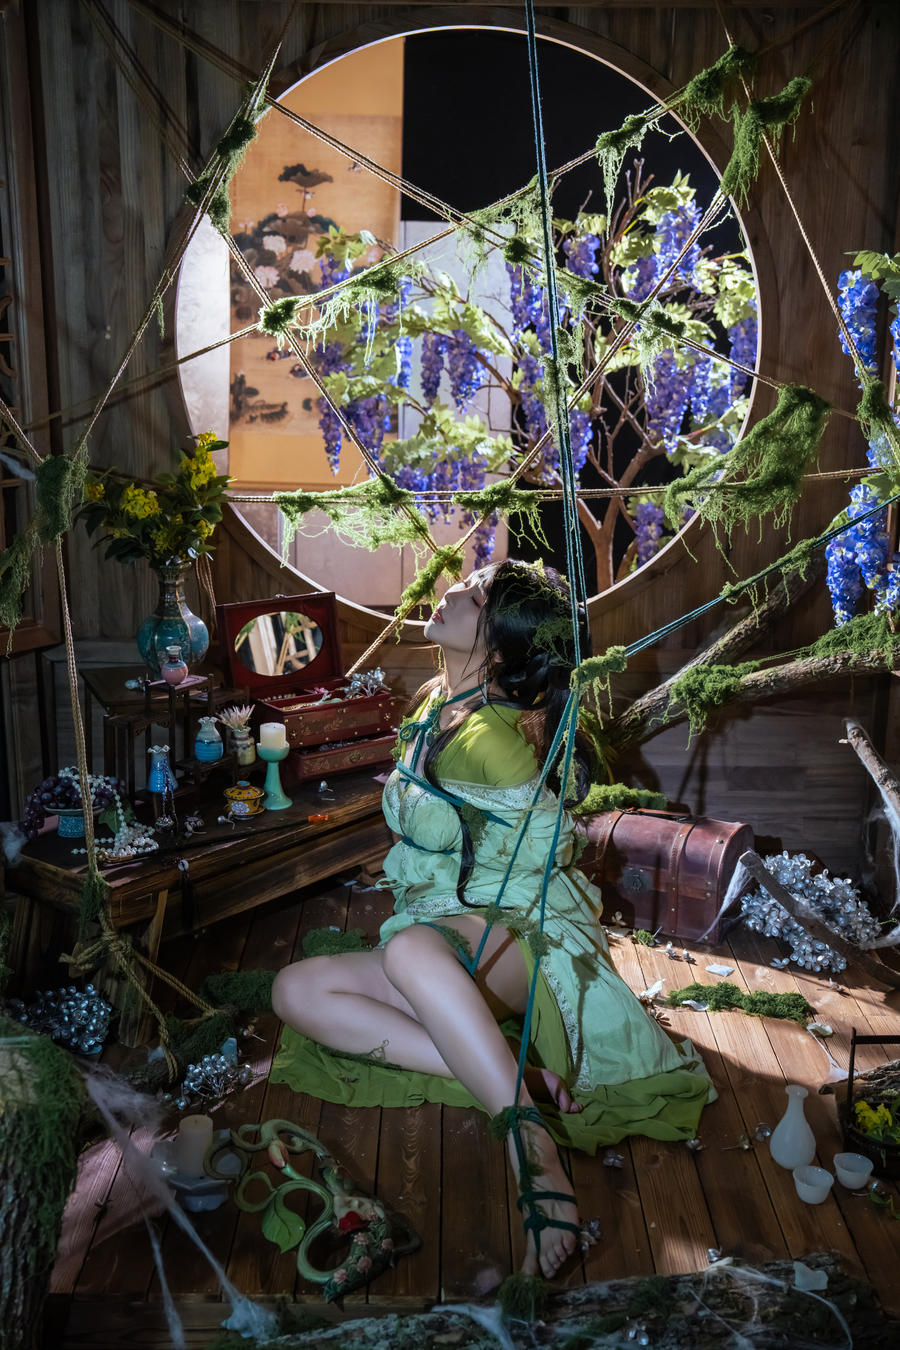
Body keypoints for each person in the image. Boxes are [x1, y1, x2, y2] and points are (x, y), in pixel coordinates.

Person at [271, 559, 714, 1280]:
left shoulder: (495, 742)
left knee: (410, 954)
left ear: (503, 647)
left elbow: (550, 849)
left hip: (520, 932)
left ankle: (527, 1143)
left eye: (476, 597)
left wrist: (506, 823)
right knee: (295, 990)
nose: (451, 589)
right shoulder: (432, 704)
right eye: (470, 583)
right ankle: (512, 1077)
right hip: (444, 925)